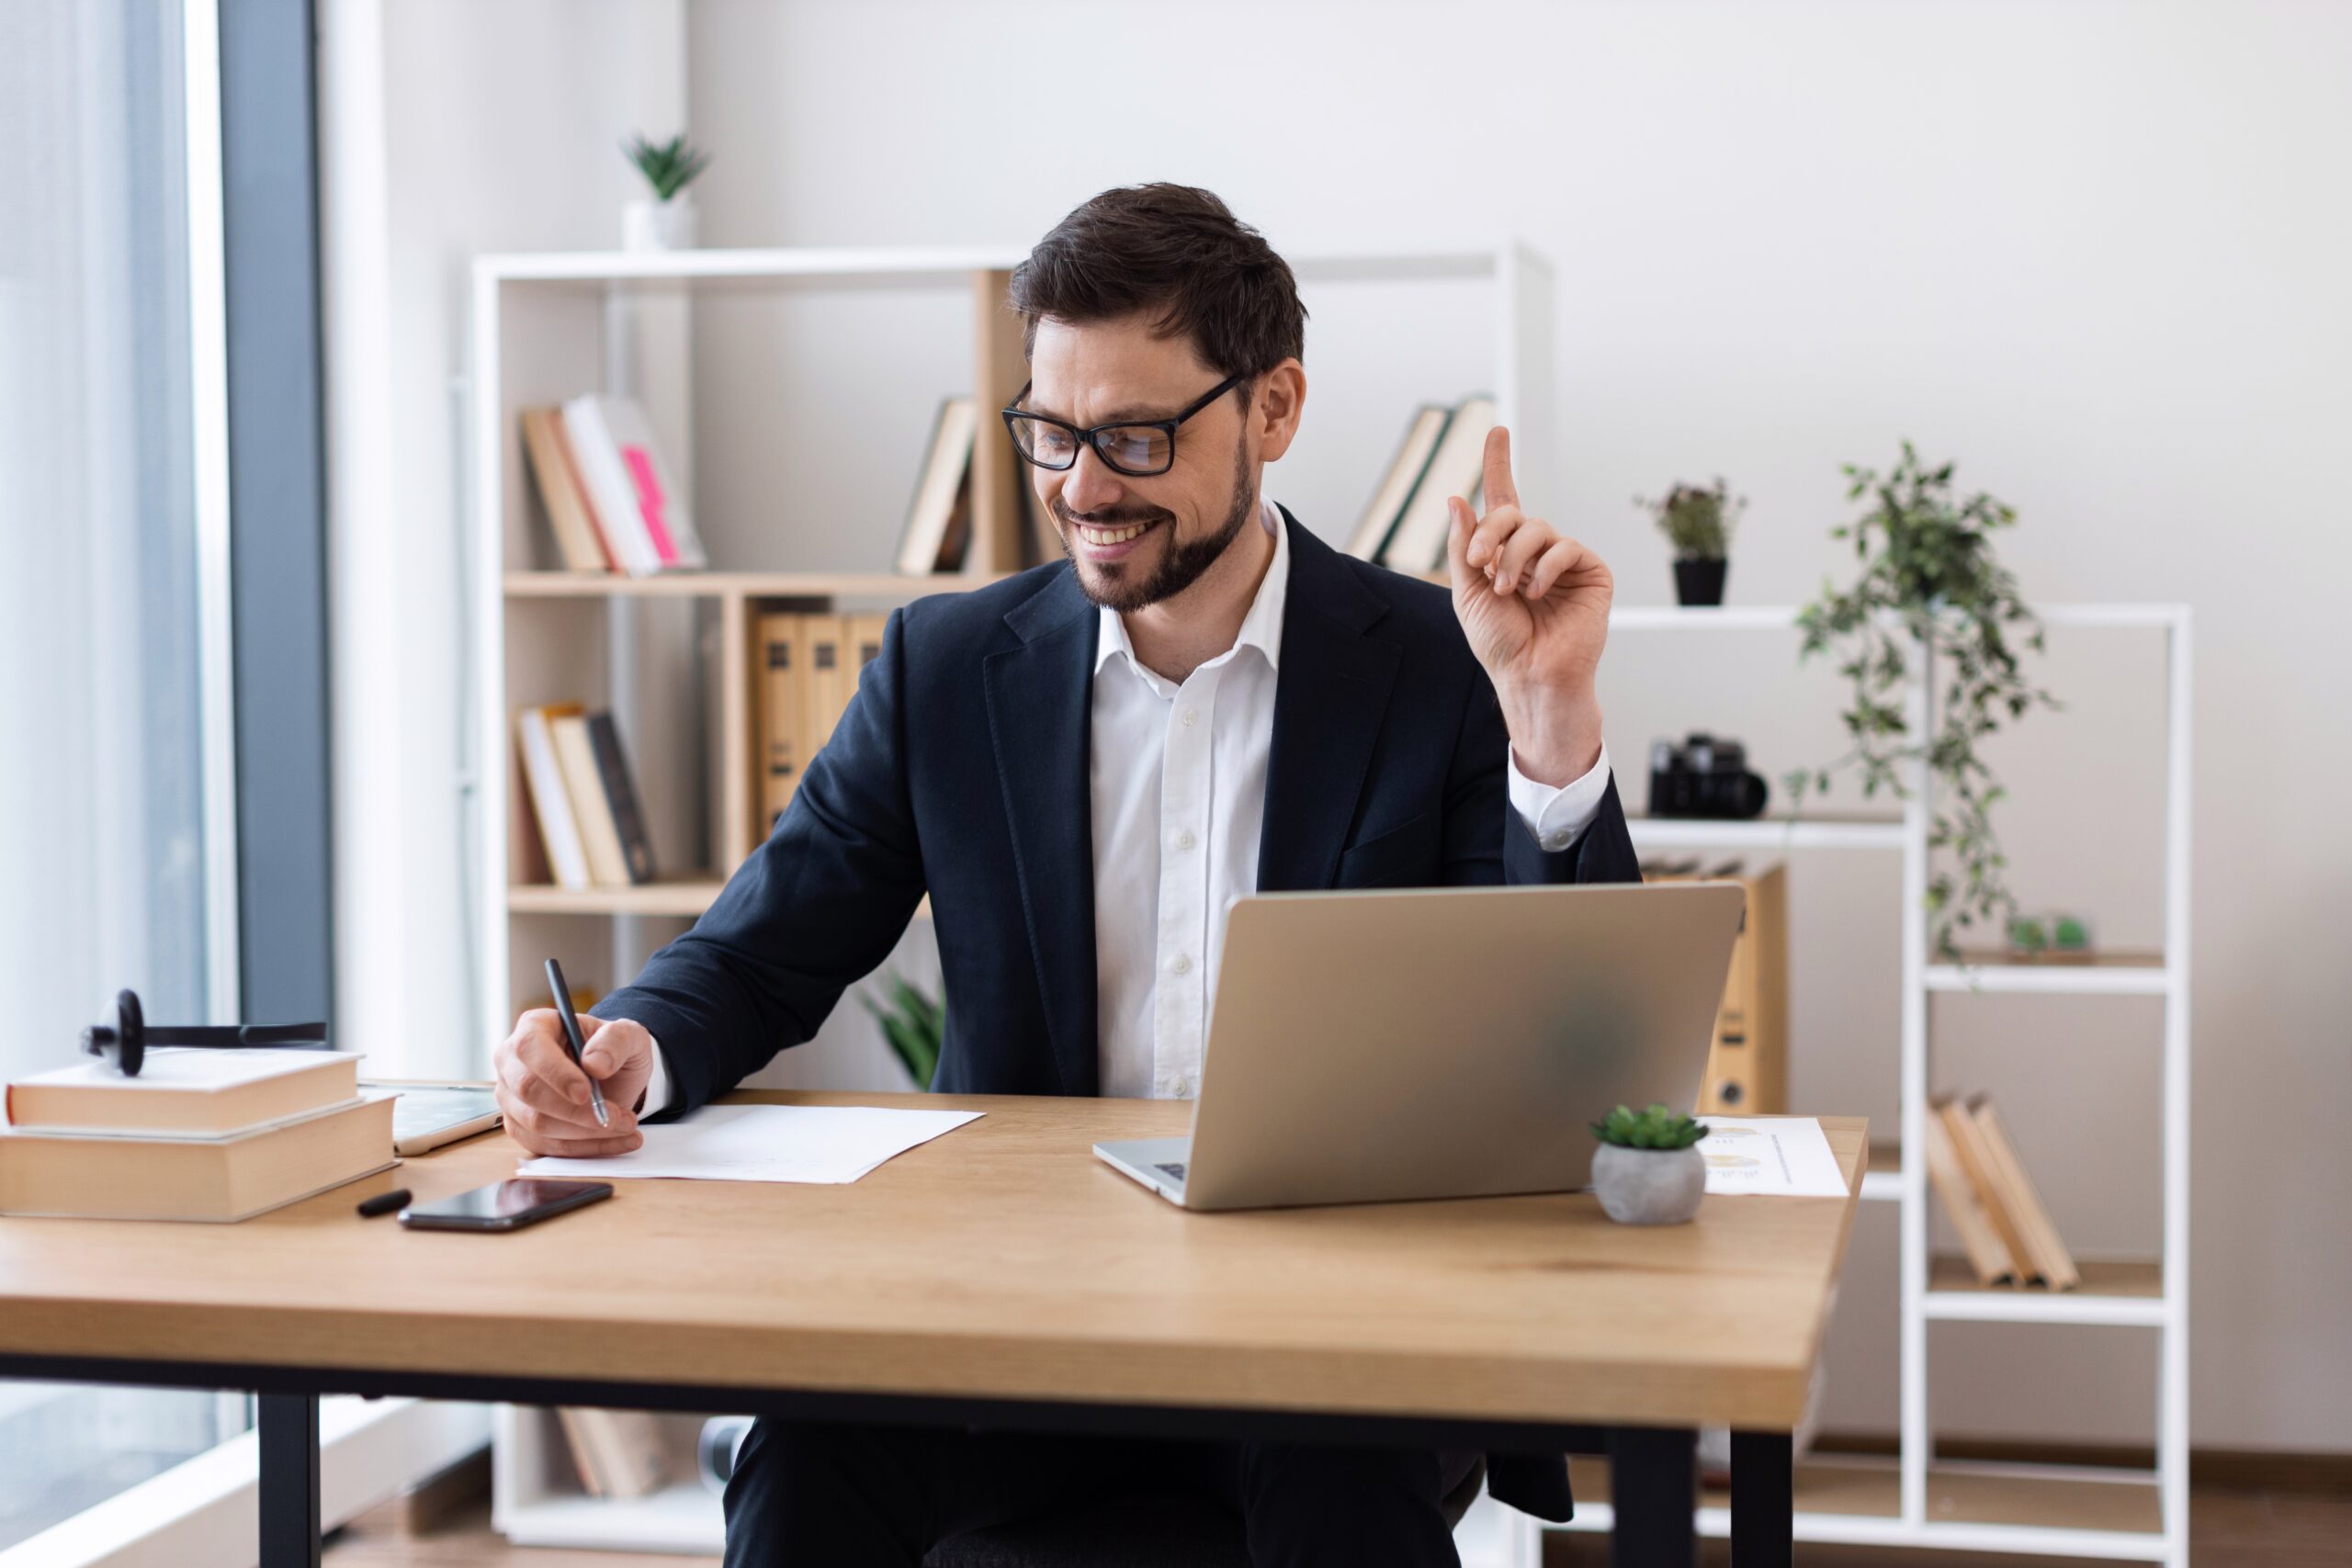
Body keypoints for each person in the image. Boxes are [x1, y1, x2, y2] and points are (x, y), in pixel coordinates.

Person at [492, 183, 1637, 1567]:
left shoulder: (1444, 662)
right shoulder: (945, 671)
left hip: (1327, 1324)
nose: (1083, 488)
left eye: (1137, 437)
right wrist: (632, 1047)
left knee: (1341, 1482)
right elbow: (760, 948)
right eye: (1052, 433)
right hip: (1009, 1315)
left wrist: (1550, 719)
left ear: (1273, 410)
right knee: (807, 1450)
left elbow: (1577, 1042)